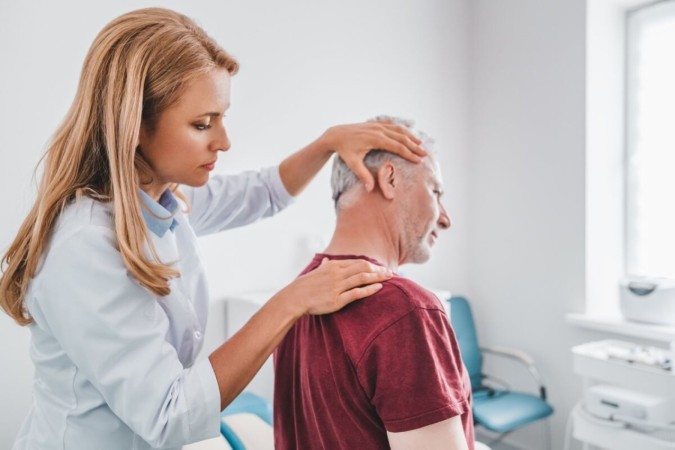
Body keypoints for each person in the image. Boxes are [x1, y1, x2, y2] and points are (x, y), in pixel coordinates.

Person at [0, 9, 427, 450]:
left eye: (222, 117)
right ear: (136, 127)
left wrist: (327, 143)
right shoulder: (86, 244)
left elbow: (261, 193)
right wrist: (292, 301)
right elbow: (171, 415)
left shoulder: (164, 201)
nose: (224, 141)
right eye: (202, 124)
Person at [273, 117, 475, 450]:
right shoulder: (406, 311)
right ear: (390, 179)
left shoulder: (299, 294)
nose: (445, 217)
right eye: (435, 191)